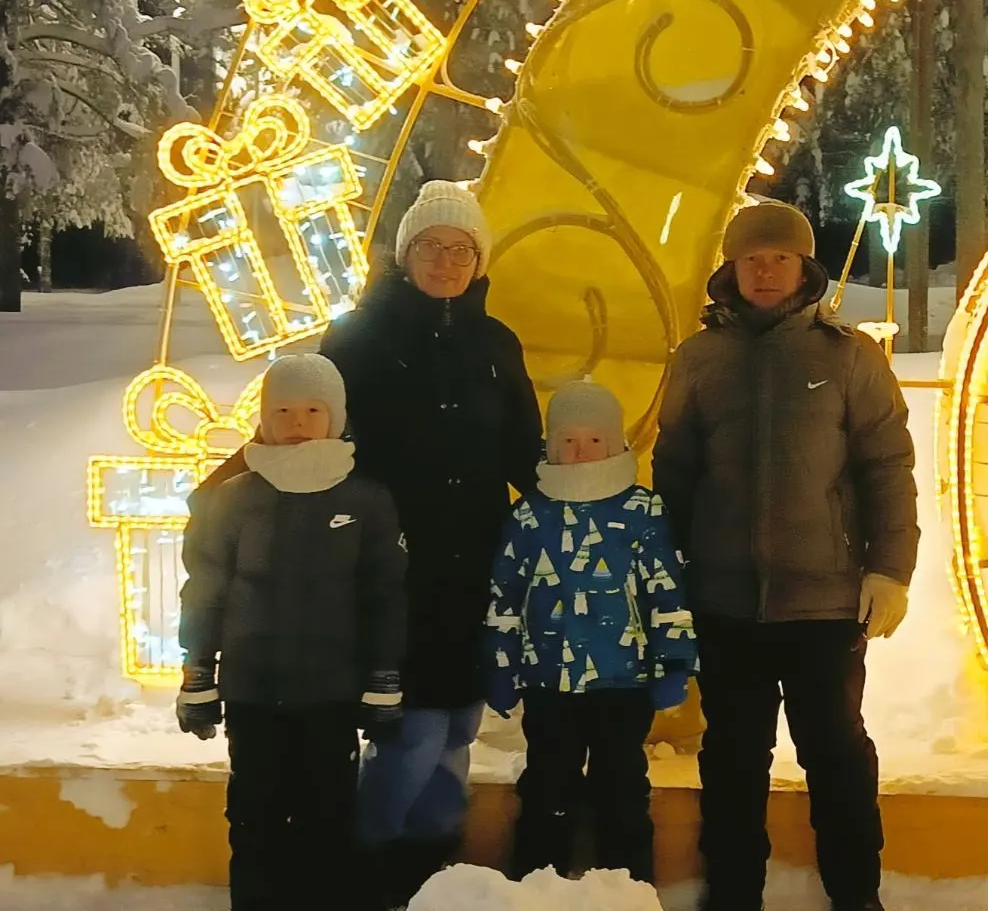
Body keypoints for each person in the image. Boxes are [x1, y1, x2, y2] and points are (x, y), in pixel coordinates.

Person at [653, 200, 918, 911]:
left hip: (825, 603)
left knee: (836, 753)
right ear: (731, 270)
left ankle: (856, 894)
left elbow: (887, 466)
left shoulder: (849, 356)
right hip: (724, 602)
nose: (765, 271)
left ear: (805, 268)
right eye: (751, 259)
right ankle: (733, 893)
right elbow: (675, 471)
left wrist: (890, 570)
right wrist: (667, 578)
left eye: (779, 258)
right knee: (733, 757)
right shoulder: (699, 358)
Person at [320, 180, 544, 905]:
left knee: (454, 728)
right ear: (404, 253)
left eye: (461, 249)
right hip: (390, 567)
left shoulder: (496, 343)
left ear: (479, 262)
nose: (446, 261)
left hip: (474, 562)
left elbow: (524, 451)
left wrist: (592, 505)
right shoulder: (356, 339)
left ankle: (431, 867)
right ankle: (367, 861)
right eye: (431, 246)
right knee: (408, 730)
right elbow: (324, 445)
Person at [175, 354, 407, 911]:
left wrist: (383, 677)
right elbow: (204, 589)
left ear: (337, 417)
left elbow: (385, 596)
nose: (297, 421)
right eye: (282, 410)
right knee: (253, 819)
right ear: (263, 419)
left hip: (331, 695)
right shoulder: (233, 499)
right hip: (253, 696)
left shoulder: (367, 500)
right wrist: (198, 672)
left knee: (326, 819)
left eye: (312, 410)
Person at [484, 379, 699, 882]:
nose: (580, 451)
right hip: (547, 682)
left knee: (621, 787)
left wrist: (674, 663)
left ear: (616, 443)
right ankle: (537, 885)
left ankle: (627, 888)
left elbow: (667, 593)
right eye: (568, 440)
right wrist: (499, 666)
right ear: (550, 445)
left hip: (623, 683)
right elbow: (504, 597)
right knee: (547, 786)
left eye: (594, 439)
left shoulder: (642, 512)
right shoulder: (529, 515)